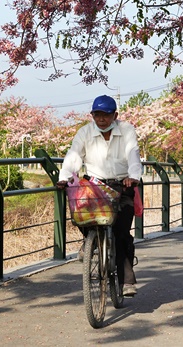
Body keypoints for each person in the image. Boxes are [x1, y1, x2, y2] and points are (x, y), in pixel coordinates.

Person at [58, 94, 143, 297]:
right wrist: (65, 177)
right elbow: (74, 155)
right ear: (92, 115)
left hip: (122, 183)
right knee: (80, 212)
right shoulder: (85, 132)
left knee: (122, 232)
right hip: (94, 185)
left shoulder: (126, 130)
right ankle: (91, 240)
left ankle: (127, 281)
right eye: (97, 115)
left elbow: (133, 153)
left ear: (115, 115)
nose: (101, 119)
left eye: (105, 115)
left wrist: (133, 176)